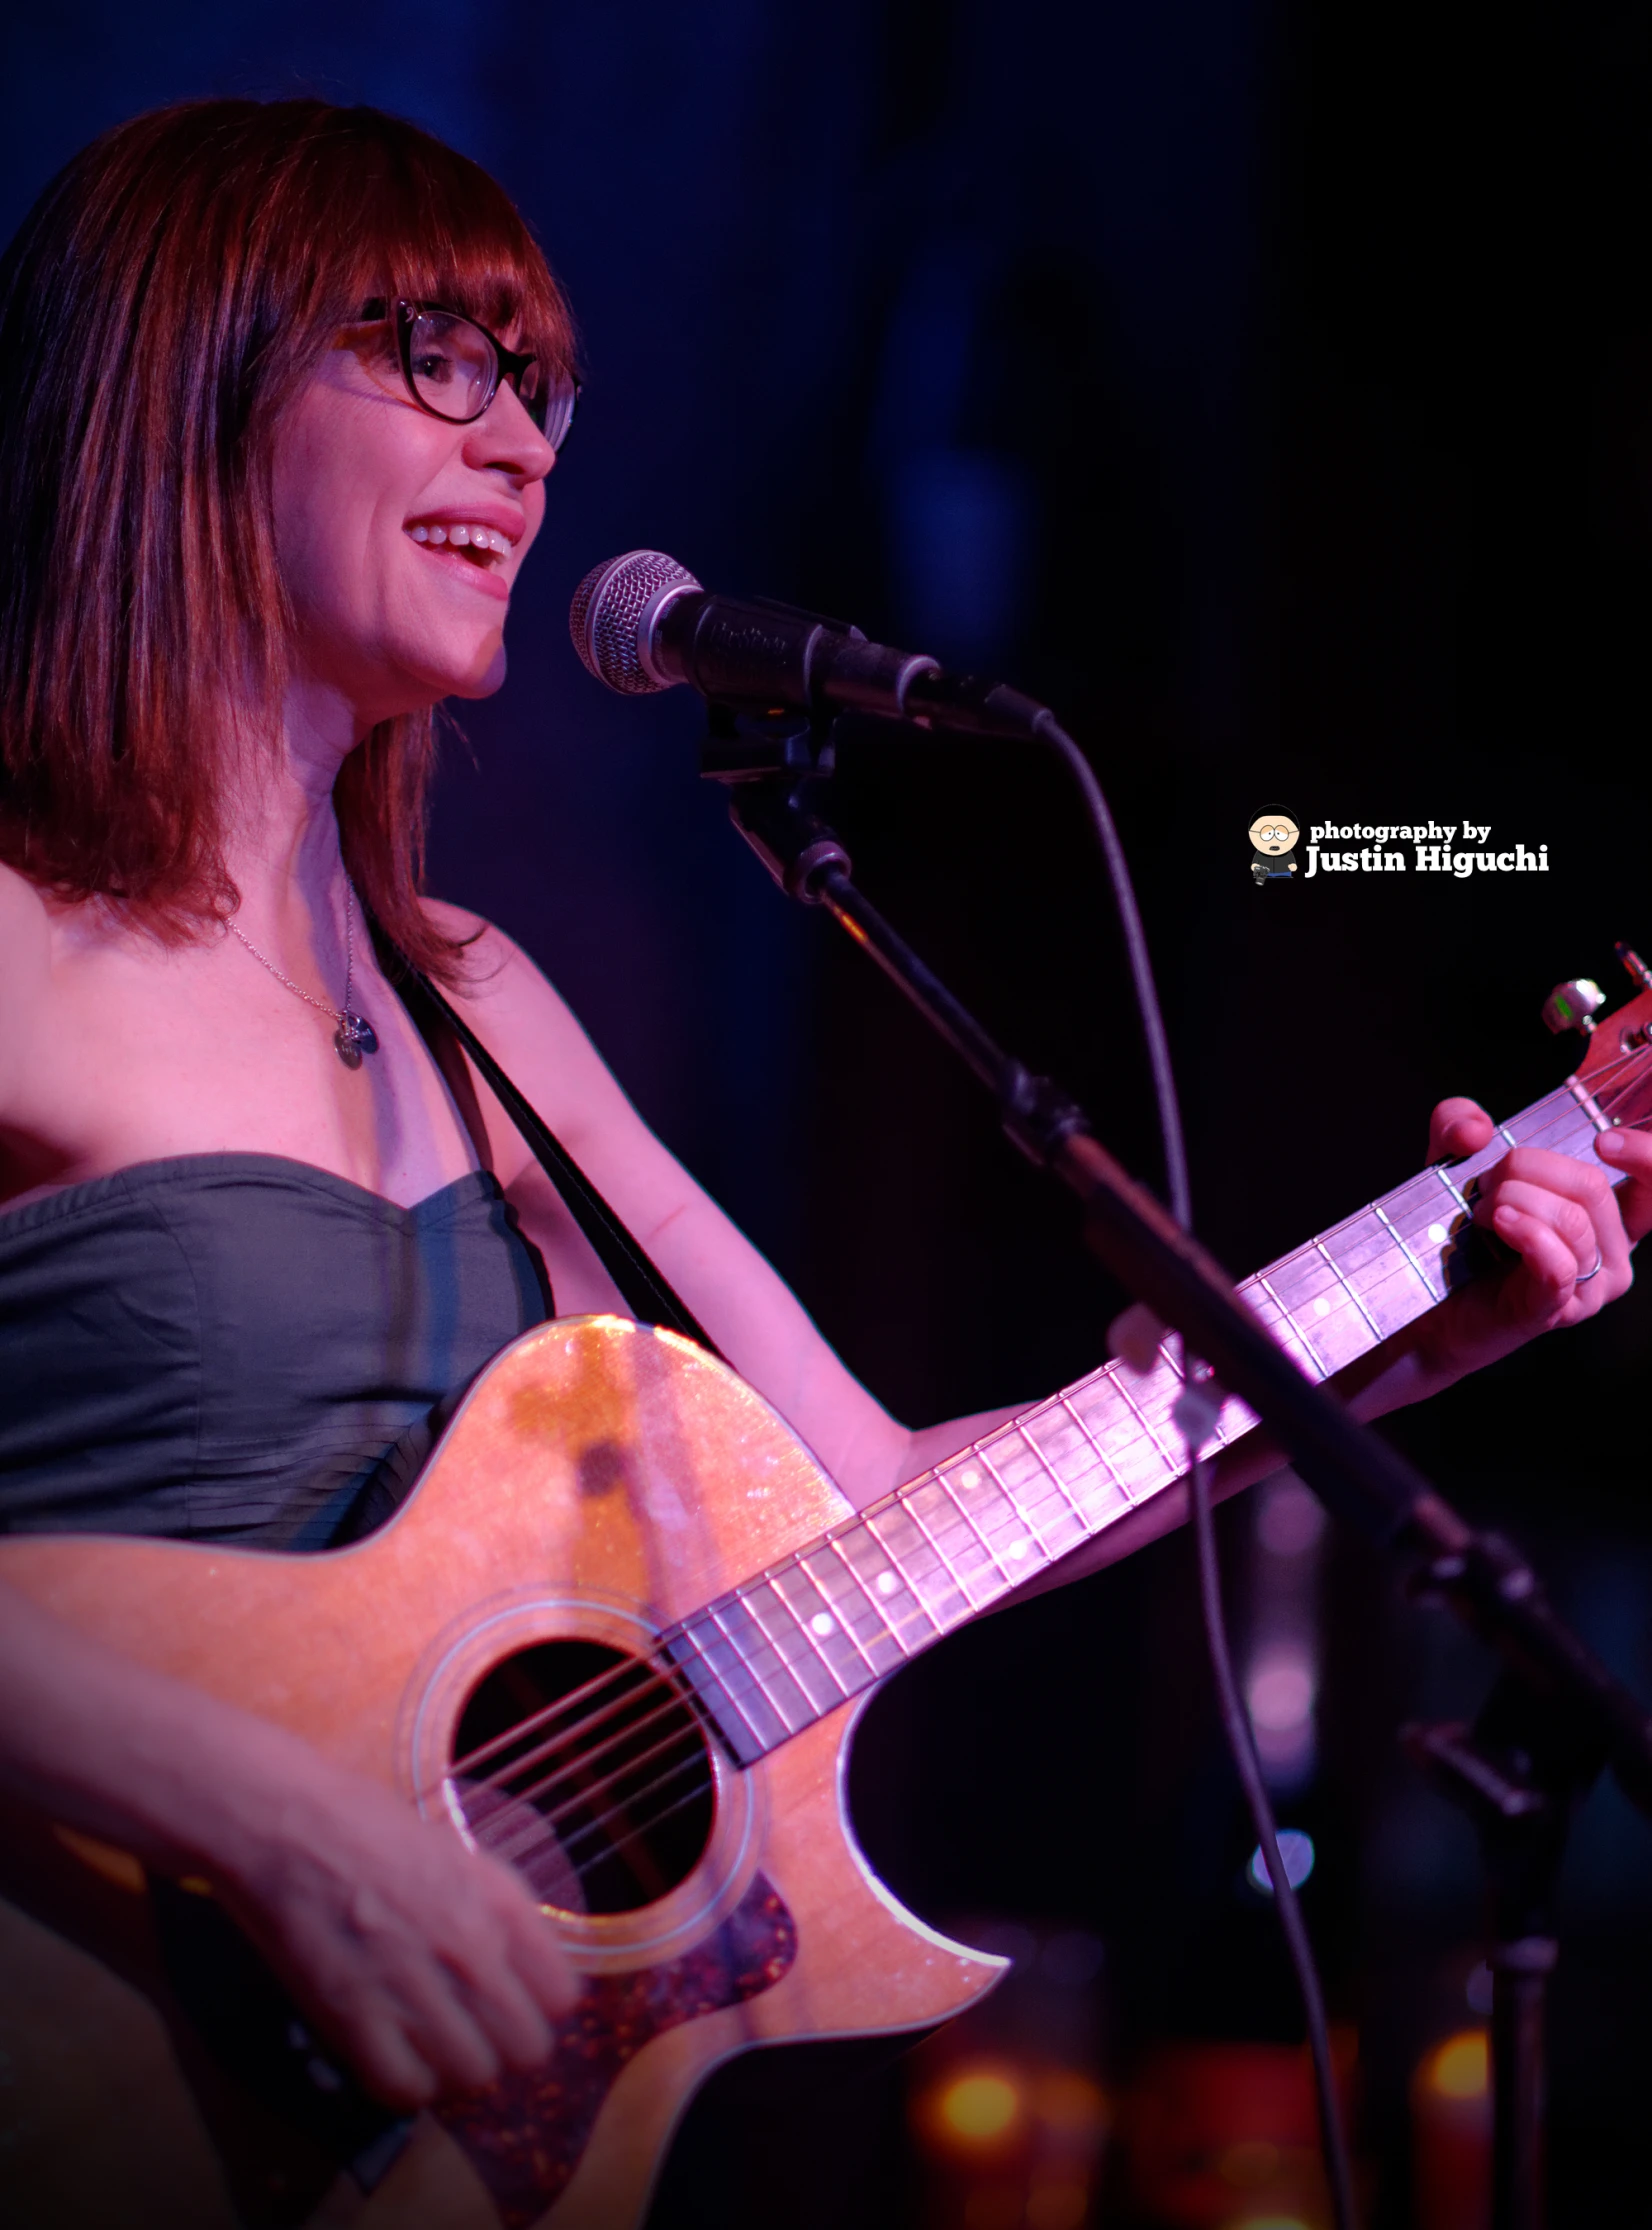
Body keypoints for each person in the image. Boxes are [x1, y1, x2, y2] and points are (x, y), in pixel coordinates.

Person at [0, 93, 1647, 2169]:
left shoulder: (479, 997)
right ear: (185, 371)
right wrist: (275, 1823)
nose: (521, 445)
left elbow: (873, 1505)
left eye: (542, 386)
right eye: (440, 357)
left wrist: (1424, 1318)